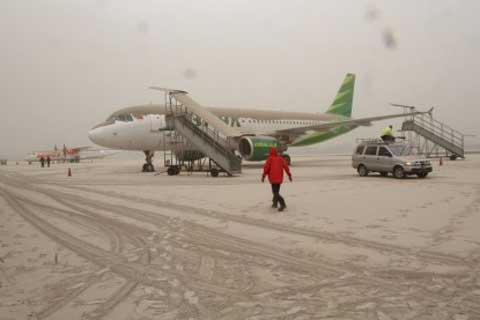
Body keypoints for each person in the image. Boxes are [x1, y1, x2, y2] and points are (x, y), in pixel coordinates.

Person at [261, 147, 292, 212]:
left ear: (271, 152)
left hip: (273, 179)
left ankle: (282, 203)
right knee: (276, 191)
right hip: (279, 178)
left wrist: (263, 176)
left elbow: (266, 168)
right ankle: (275, 204)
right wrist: (289, 175)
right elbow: (286, 167)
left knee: (275, 192)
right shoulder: (280, 159)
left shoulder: (270, 159)